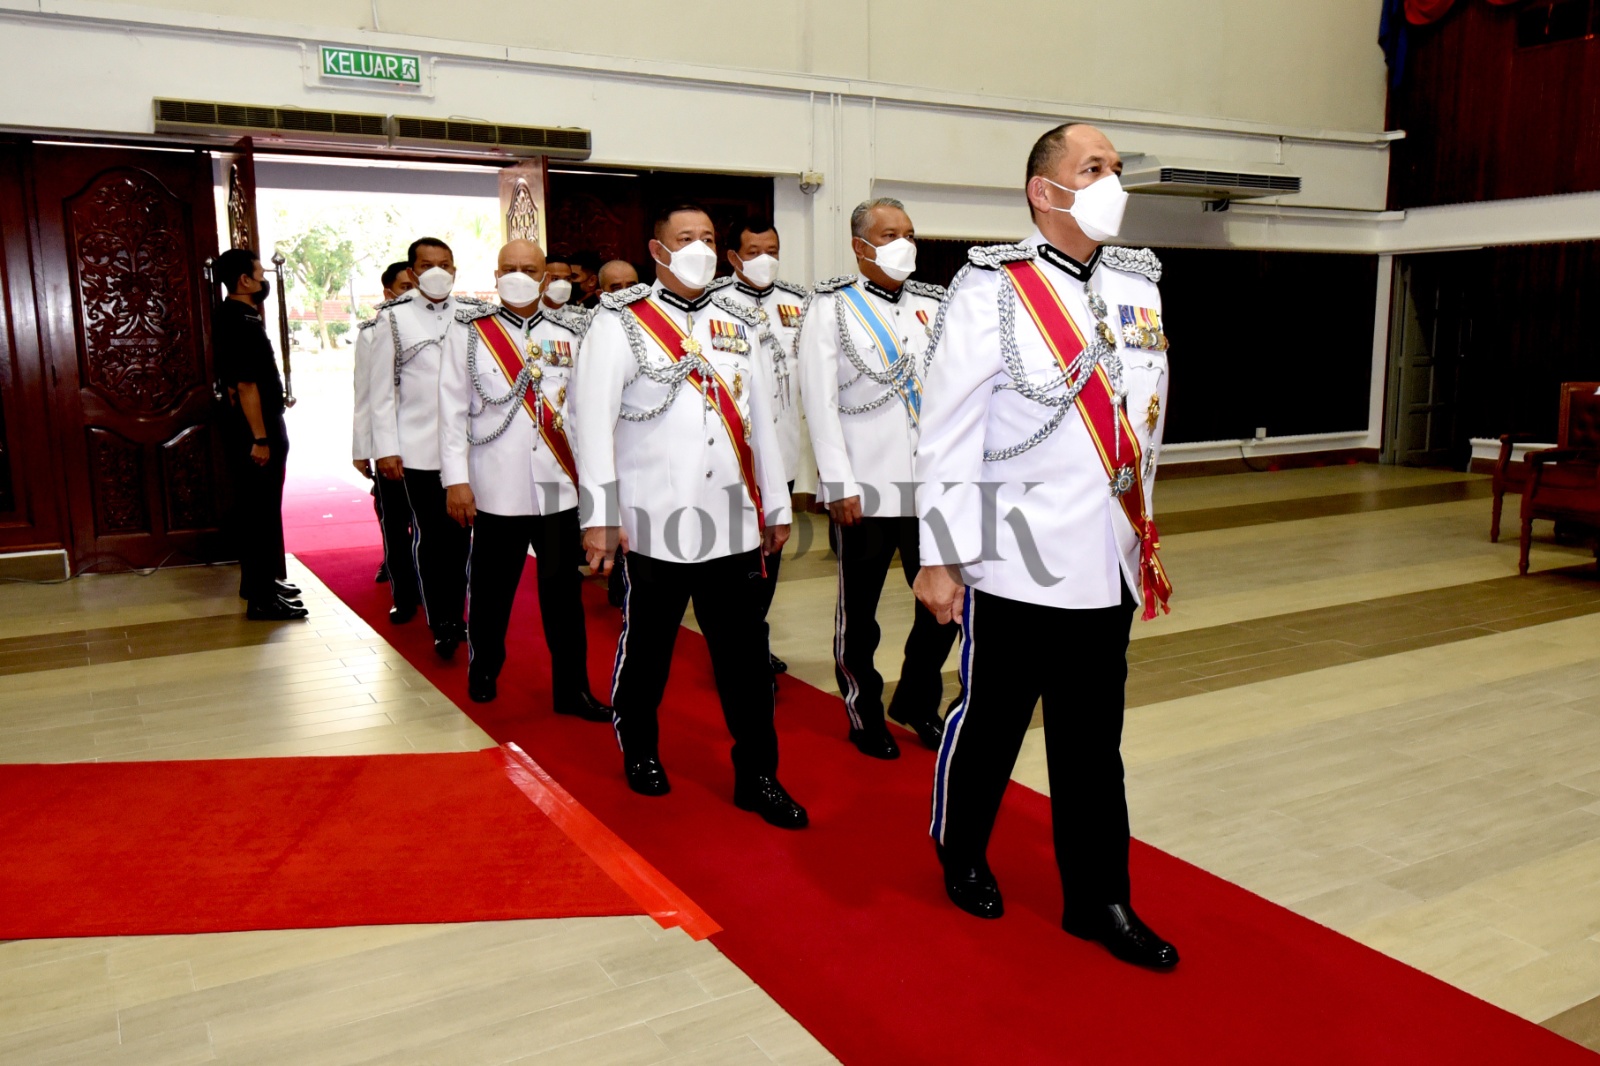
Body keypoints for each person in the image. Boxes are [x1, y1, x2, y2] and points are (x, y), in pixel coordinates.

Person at [915, 123, 1178, 969]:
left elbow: (1144, 430)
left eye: (1116, 169)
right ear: (1044, 190)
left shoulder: (1141, 286)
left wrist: (1139, 533)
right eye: (1093, 168)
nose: (1113, 182)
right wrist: (941, 555)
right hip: (1017, 555)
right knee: (993, 721)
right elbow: (947, 433)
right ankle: (960, 848)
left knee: (1092, 743)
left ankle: (1099, 899)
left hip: (1106, 557)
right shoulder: (992, 287)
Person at [574, 203, 806, 828]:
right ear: (658, 250)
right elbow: (589, 424)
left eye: (708, 238)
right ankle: (640, 747)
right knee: (648, 648)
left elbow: (765, 419)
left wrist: (776, 506)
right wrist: (599, 517)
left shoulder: (740, 319)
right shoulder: (619, 323)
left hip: (729, 519)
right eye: (687, 238)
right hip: (655, 519)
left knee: (745, 659)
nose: (700, 247)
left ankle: (758, 775)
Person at [796, 197, 953, 760]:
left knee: (945, 605)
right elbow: (819, 402)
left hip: (932, 487)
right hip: (865, 485)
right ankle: (863, 708)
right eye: (890, 234)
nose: (904, 242)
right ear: (862, 246)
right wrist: (837, 481)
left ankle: (916, 698)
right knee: (859, 612)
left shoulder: (937, 306)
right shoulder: (832, 308)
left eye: (910, 232)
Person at [437, 238, 612, 722]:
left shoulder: (570, 330)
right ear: (495, 275)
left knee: (564, 598)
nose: (518, 274)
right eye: (509, 267)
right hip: (496, 486)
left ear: (545, 275)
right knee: (493, 590)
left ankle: (572, 690)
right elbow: (450, 412)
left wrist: (590, 484)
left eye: (528, 267)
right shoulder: (469, 332)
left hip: (556, 484)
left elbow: (581, 414)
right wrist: (456, 480)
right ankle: (484, 668)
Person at [368, 237, 474, 658]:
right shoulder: (392, 320)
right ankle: (442, 621)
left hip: (469, 448)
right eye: (427, 264)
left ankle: (459, 613)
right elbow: (380, 394)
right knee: (433, 536)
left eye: (445, 264)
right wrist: (385, 448)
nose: (437, 271)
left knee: (462, 540)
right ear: (411, 272)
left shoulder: (473, 315)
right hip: (419, 448)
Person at [718, 215, 809, 676]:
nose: (764, 260)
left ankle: (754, 639)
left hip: (783, 452)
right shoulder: (715, 304)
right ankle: (739, 651)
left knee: (771, 555)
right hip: (732, 458)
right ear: (733, 257)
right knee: (736, 562)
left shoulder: (798, 303)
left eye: (771, 250)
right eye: (753, 252)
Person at [211, 247, 305, 621]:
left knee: (260, 510)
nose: (265, 280)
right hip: (257, 430)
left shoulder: (238, 315)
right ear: (244, 280)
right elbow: (245, 385)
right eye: (260, 274)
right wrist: (261, 439)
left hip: (255, 425)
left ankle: (261, 584)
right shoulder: (239, 320)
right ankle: (262, 601)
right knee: (259, 513)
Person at [353, 261, 422, 620]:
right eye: (404, 286)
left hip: (433, 448)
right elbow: (365, 395)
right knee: (395, 523)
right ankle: (404, 593)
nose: (412, 292)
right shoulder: (373, 331)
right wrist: (362, 448)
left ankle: (436, 589)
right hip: (390, 446)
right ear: (388, 293)